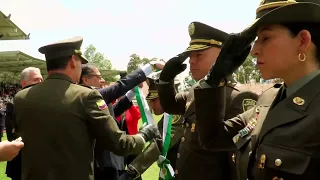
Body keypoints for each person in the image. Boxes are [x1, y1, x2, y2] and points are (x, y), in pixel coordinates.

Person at [193, 0, 320, 179]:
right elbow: (213, 138)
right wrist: (214, 80)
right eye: (256, 40)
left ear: (303, 41)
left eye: (265, 38)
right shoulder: (268, 99)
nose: (254, 50)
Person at [13, 36, 161, 180]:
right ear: (72, 61)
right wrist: (143, 135)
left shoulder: (21, 98)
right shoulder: (86, 96)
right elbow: (119, 143)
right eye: (80, 62)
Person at [156, 22, 259, 180]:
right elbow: (170, 105)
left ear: (222, 55)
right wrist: (165, 80)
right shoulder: (195, 91)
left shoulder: (239, 95)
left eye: (199, 55)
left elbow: (238, 159)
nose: (192, 61)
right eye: (190, 56)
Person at [80, 63, 163, 180]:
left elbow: (113, 111)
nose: (103, 80)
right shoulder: (87, 96)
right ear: (86, 80)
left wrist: (132, 92)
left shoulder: (90, 98)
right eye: (98, 77)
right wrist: (151, 66)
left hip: (112, 161)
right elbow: (119, 86)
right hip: (102, 166)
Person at [120, 73, 184, 180]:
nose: (150, 103)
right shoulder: (167, 119)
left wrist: (132, 171)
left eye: (154, 99)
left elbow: (159, 145)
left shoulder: (177, 117)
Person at [5, 67, 43, 180]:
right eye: (36, 79)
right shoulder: (15, 103)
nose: (40, 82)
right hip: (22, 161)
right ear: (23, 83)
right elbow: (12, 136)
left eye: (42, 79)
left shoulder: (46, 101)